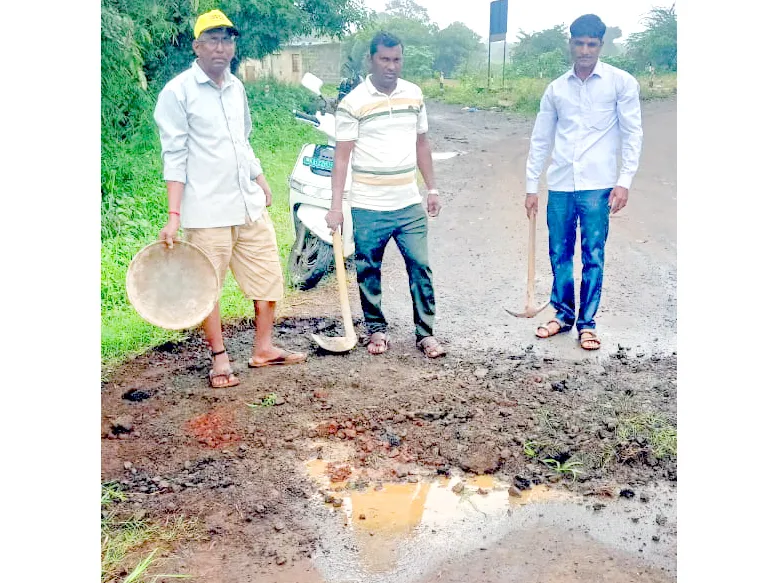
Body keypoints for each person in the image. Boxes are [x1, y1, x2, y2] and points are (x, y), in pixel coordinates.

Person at [153, 9, 306, 388]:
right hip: (207, 210)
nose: (221, 48)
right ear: (197, 46)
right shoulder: (177, 92)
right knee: (208, 285)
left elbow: (242, 141)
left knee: (267, 275)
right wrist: (174, 214)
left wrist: (260, 179)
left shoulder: (236, 87)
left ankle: (263, 348)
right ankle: (219, 359)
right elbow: (174, 156)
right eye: (213, 40)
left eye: (227, 40)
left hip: (247, 204)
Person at [524, 13, 643, 351]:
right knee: (559, 252)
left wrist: (624, 181)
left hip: (598, 184)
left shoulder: (620, 83)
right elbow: (541, 139)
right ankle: (562, 315)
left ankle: (587, 324)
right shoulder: (556, 89)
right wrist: (531, 186)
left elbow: (632, 133)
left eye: (592, 44)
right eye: (580, 43)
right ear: (571, 44)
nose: (585, 50)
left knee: (593, 254)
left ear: (601, 45)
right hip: (561, 183)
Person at [325, 31, 446, 358]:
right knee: (368, 269)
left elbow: (422, 144)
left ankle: (425, 333)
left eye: (397, 60)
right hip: (368, 206)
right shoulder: (353, 103)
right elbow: (341, 158)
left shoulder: (414, 95)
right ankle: (376, 329)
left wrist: (432, 188)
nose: (391, 66)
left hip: (408, 203)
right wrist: (335, 207)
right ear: (371, 60)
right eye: (385, 59)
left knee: (420, 265)